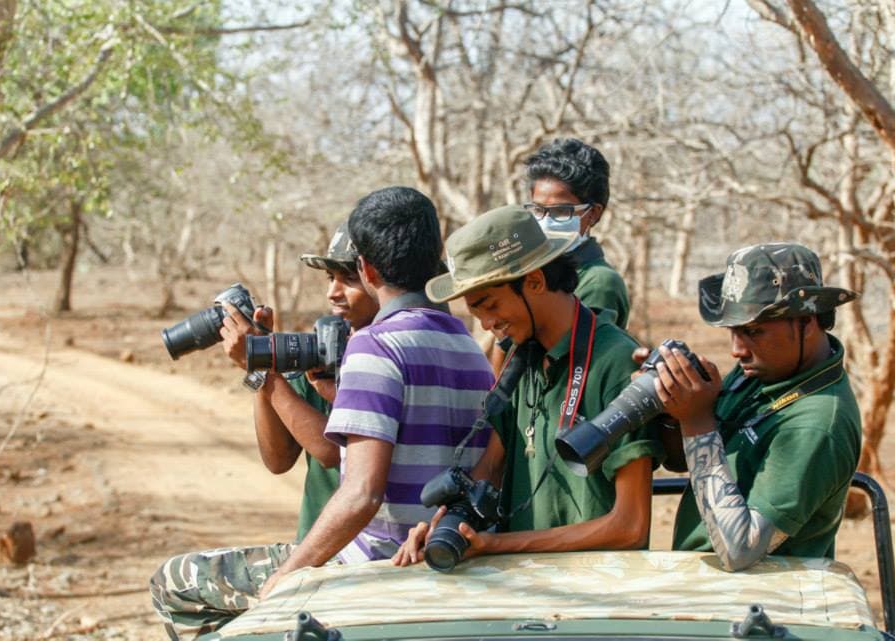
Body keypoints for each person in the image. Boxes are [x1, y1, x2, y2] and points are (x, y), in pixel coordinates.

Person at [255, 186, 494, 594]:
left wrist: (284, 577)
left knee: (178, 582)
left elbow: (362, 494)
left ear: (366, 269)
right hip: (445, 555)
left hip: (380, 566)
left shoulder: (375, 345)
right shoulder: (467, 345)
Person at [393, 205, 662, 566]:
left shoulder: (616, 362)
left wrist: (497, 545)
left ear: (534, 281)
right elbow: (490, 468)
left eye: (490, 305)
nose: (487, 324)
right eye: (476, 313)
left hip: (597, 587)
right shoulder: (521, 357)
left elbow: (629, 527)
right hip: (524, 584)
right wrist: (446, 526)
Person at [149, 221, 380, 640]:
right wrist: (263, 359)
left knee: (177, 582)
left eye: (348, 278)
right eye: (329, 277)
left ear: (378, 277)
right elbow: (278, 459)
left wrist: (264, 370)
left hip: (347, 555)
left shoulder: (381, 357)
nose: (333, 292)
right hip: (318, 547)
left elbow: (332, 451)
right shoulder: (325, 348)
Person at [654, 242, 862, 572]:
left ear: (807, 322)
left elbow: (740, 550)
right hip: (709, 580)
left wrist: (696, 422)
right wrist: (671, 407)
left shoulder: (818, 423)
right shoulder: (767, 370)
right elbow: (688, 459)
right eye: (733, 331)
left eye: (753, 331)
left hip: (765, 596)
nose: (737, 350)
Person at [486, 139, 630, 373]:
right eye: (537, 209)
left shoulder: (598, 282)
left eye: (561, 211)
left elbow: (569, 368)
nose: (545, 221)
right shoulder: (532, 268)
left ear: (593, 214)